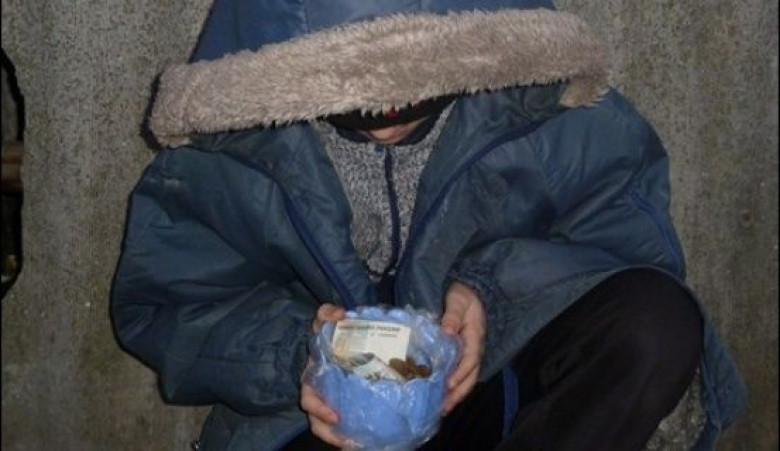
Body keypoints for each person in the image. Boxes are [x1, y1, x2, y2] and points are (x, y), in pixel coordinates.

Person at [111, 1, 746, 450]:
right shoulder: (232, 151)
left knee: (653, 320)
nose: (387, 117)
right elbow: (172, 305)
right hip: (317, 425)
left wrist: (491, 293)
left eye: (417, 87)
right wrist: (301, 355)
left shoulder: (548, 113)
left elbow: (628, 247)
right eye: (351, 98)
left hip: (496, 395)